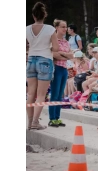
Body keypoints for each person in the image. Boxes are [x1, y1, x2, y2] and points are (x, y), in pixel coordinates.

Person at [26, 2, 59, 130]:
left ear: (33, 16)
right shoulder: (50, 29)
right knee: (41, 95)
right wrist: (49, 47)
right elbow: (56, 48)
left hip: (31, 60)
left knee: (30, 94)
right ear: (44, 15)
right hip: (45, 59)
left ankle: (29, 122)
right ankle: (35, 122)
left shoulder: (27, 28)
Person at [49, 19, 74, 127]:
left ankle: (57, 117)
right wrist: (65, 55)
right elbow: (54, 54)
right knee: (54, 94)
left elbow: (71, 55)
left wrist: (62, 54)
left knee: (60, 95)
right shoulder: (53, 40)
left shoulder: (66, 41)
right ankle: (52, 118)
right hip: (56, 68)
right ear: (56, 28)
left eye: (66, 27)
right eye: (62, 27)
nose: (65, 29)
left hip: (64, 68)